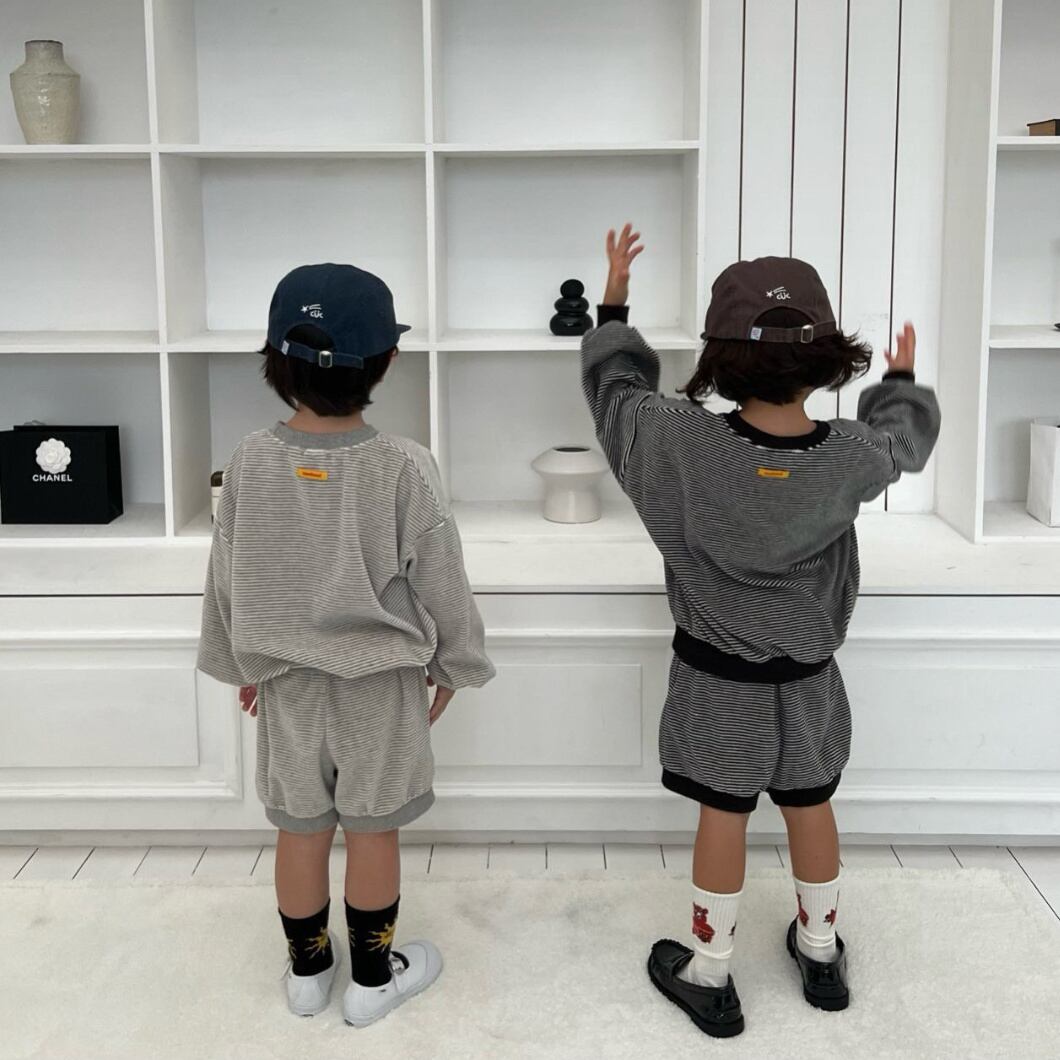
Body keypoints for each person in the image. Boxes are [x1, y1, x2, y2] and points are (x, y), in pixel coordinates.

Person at [581, 226, 941, 1037]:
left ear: (720, 357)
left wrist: (614, 307)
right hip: (809, 680)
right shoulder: (850, 453)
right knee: (811, 806)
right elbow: (905, 442)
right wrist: (900, 382)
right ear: (827, 357)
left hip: (717, 682)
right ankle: (820, 953)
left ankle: (711, 972)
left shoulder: (676, 438)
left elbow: (614, 392)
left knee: (724, 813)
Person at [197, 263, 494, 1027]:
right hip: (380, 689)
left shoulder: (248, 461)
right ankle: (371, 980)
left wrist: (245, 661)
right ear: (385, 362)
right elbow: (442, 576)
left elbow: (228, 576)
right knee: (372, 829)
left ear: (273, 360)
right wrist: (454, 663)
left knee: (299, 832)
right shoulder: (403, 466)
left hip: (287, 688)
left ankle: (307, 975)